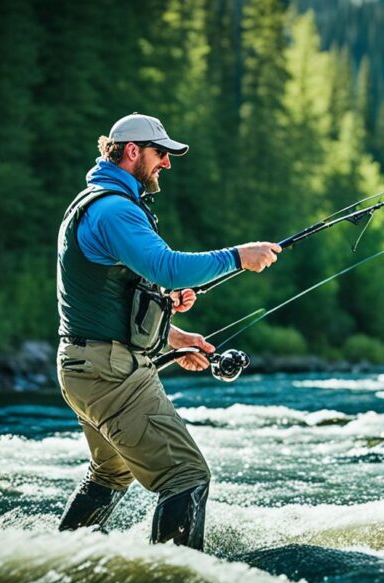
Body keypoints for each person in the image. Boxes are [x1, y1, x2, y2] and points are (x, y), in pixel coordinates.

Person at [55, 113, 281, 551]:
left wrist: (175, 339)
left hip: (83, 368)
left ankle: (55, 565)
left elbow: (106, 300)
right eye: (161, 153)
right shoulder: (115, 209)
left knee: (111, 473)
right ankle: (173, 577)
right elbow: (168, 268)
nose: (168, 163)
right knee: (187, 477)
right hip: (109, 373)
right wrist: (240, 256)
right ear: (133, 151)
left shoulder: (93, 203)